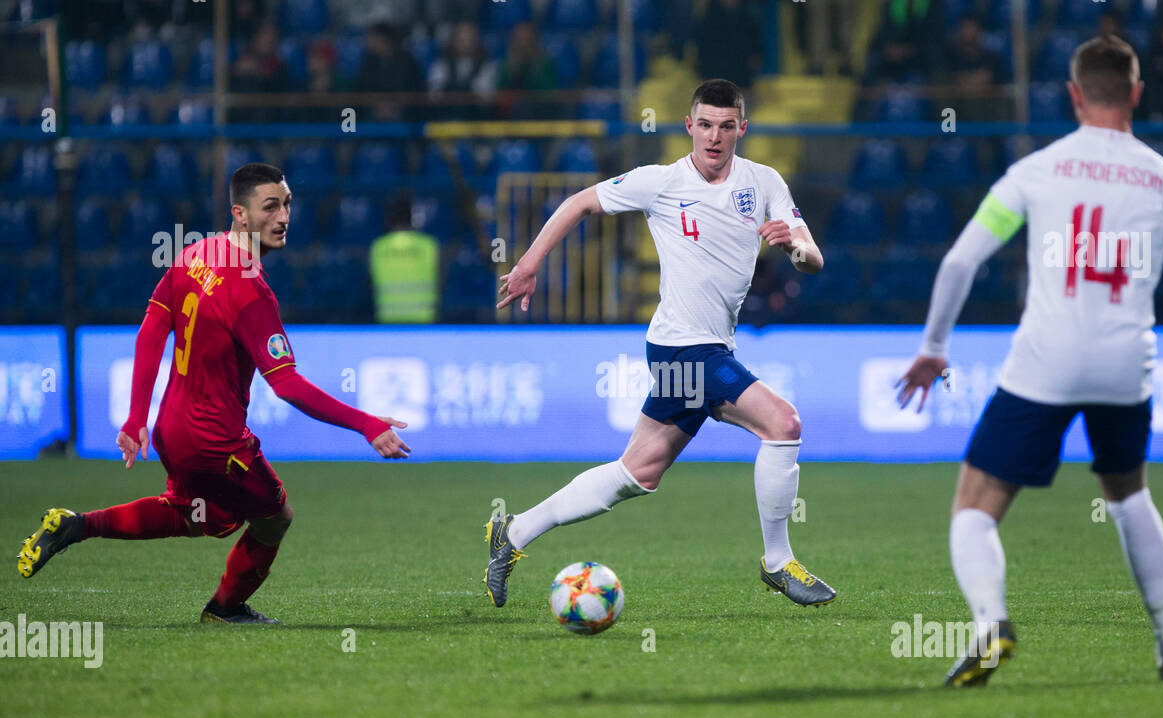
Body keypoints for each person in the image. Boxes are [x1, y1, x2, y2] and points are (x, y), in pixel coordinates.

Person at [895, 37, 1163, 686]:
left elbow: (960, 261)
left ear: (1073, 94)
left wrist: (933, 348)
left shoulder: (1038, 170)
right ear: (1137, 94)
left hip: (1047, 360)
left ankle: (992, 624)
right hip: (1127, 367)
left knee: (975, 505)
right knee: (1129, 497)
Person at [487, 79, 835, 609]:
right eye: (704, 125)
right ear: (688, 126)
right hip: (683, 349)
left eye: (725, 126)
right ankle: (777, 561)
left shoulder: (764, 182)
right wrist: (529, 265)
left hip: (707, 348)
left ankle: (511, 534)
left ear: (742, 127)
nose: (714, 137)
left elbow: (813, 258)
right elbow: (580, 203)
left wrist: (794, 248)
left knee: (635, 473)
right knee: (783, 424)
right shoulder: (661, 182)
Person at [17, 163, 411, 623]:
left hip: (171, 431)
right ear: (240, 214)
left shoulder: (194, 254)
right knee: (274, 515)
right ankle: (227, 608)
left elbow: (151, 329)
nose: (284, 216)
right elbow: (285, 383)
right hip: (215, 440)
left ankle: (77, 525)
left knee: (193, 514)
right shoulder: (252, 293)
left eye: (287, 204)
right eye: (271, 206)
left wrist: (135, 418)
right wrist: (366, 424)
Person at [371, 194, 439, 323]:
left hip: (387, 319)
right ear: (414, 219)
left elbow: (370, 281)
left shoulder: (378, 247)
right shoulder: (428, 246)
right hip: (423, 319)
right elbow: (441, 280)